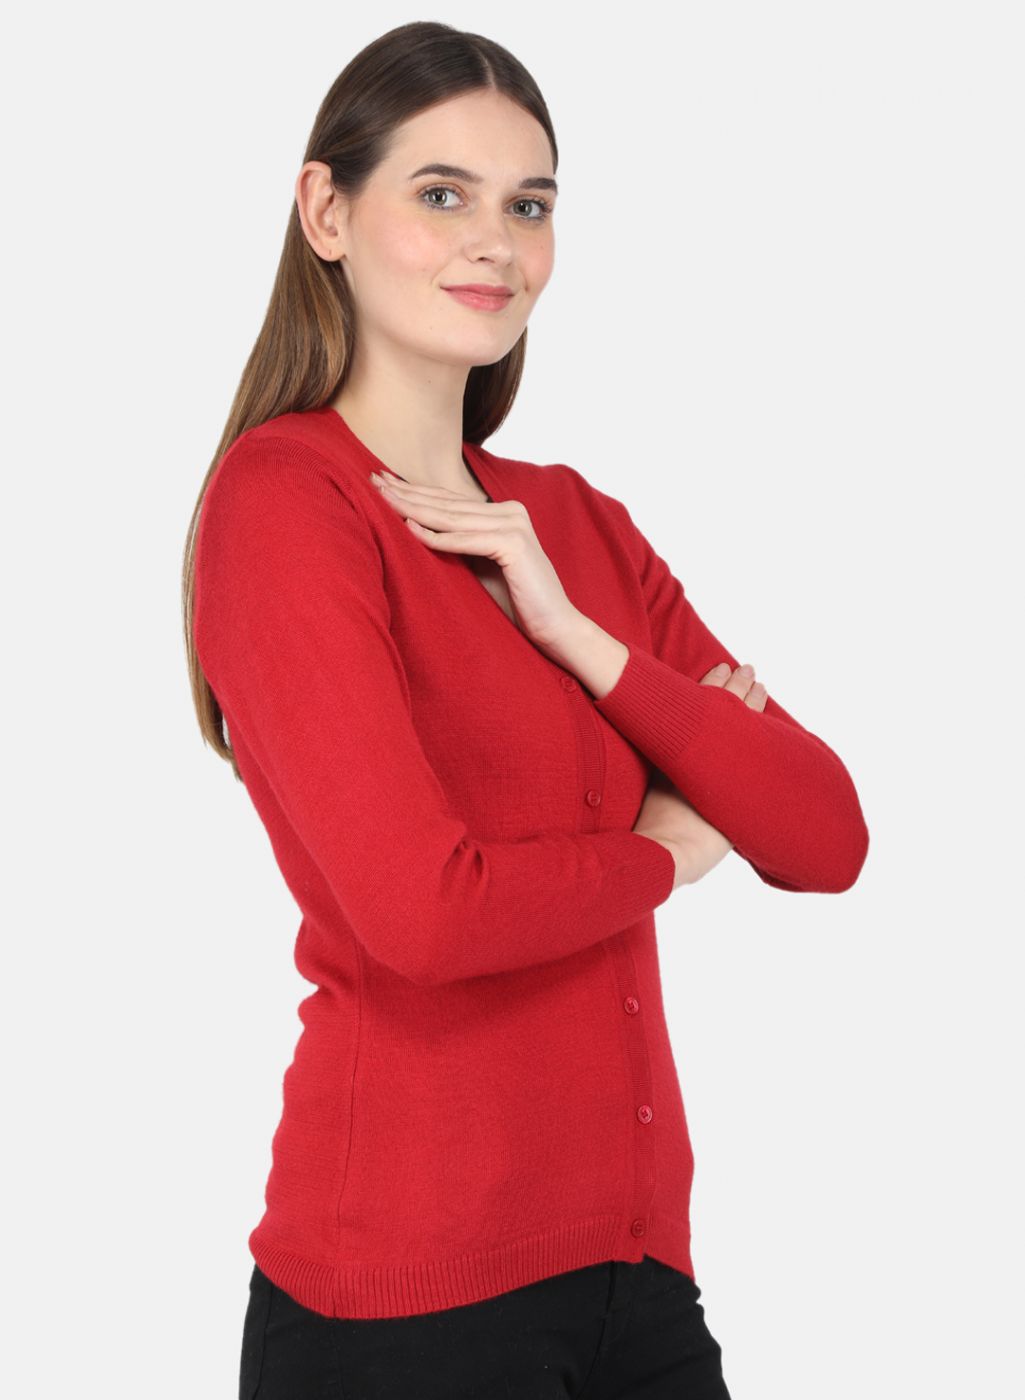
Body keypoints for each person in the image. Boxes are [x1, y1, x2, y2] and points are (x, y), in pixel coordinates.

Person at [182, 20, 869, 1400]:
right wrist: (667, 847)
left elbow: (823, 836)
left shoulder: (572, 523)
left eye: (529, 205)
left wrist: (582, 640)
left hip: (638, 1282)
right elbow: (428, 914)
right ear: (327, 212)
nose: (494, 243)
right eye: (442, 194)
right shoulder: (288, 502)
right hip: (405, 1305)